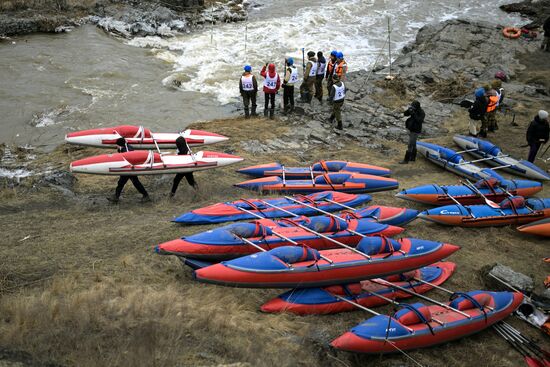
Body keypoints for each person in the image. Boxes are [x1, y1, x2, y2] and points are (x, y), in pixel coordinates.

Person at [108, 137, 150, 203]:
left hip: (129, 169)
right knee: (130, 182)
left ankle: (146, 196)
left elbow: (127, 159)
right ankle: (116, 197)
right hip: (130, 168)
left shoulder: (125, 150)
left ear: (120, 145)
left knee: (128, 182)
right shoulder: (127, 147)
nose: (116, 146)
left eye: (117, 145)